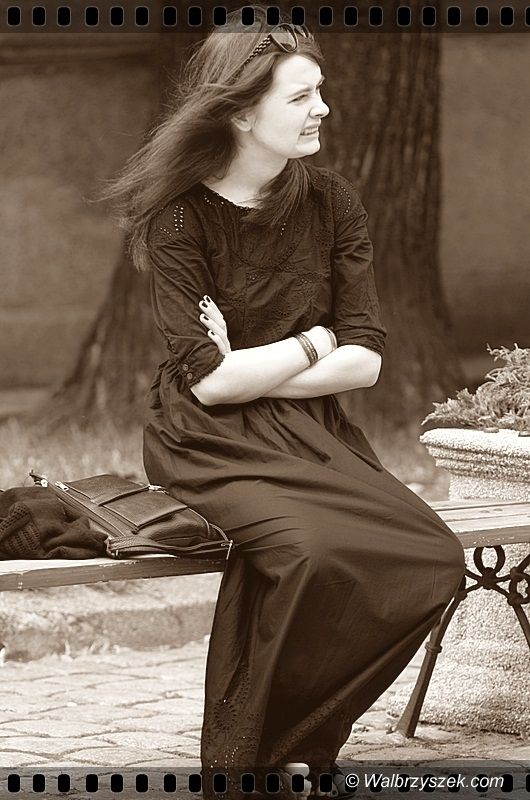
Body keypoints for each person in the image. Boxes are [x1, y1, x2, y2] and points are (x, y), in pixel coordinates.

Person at [101, 7, 465, 798]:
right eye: (301, 97)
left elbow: (365, 362)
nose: (322, 108)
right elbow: (209, 385)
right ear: (241, 111)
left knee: (434, 561)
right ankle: (258, 757)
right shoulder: (178, 219)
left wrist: (259, 360)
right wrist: (315, 342)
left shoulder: (332, 201)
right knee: (309, 552)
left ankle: (298, 737)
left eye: (319, 91)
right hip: (206, 441)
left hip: (311, 432)